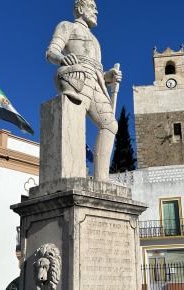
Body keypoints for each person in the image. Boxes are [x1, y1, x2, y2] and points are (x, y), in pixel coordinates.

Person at [46, 0, 122, 182]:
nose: (96, 11)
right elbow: (51, 52)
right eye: (92, 7)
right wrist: (63, 58)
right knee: (74, 117)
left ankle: (101, 178)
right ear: (80, 9)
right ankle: (71, 174)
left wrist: (108, 76)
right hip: (75, 76)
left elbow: (96, 69)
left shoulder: (95, 40)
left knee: (110, 125)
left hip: (96, 82)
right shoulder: (67, 26)